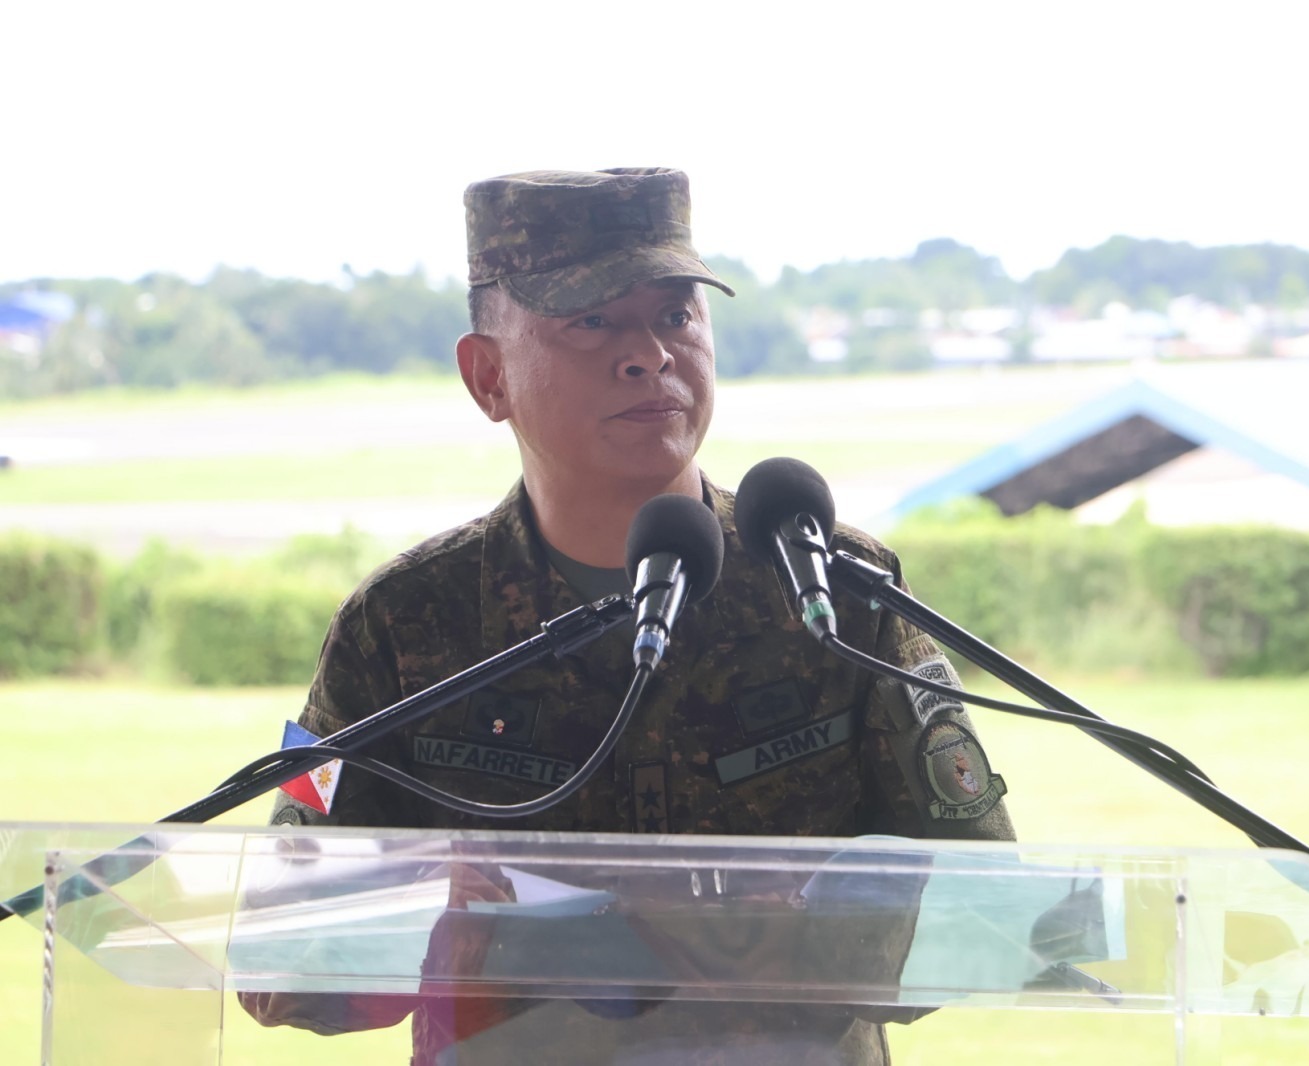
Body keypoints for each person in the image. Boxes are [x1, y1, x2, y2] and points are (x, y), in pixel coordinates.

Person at [243, 168, 1015, 1064]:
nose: (649, 354)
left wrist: (718, 938)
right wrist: (457, 917)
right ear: (488, 376)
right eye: (591, 322)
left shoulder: (831, 587)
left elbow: (986, 910)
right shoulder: (405, 624)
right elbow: (285, 962)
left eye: (676, 315)